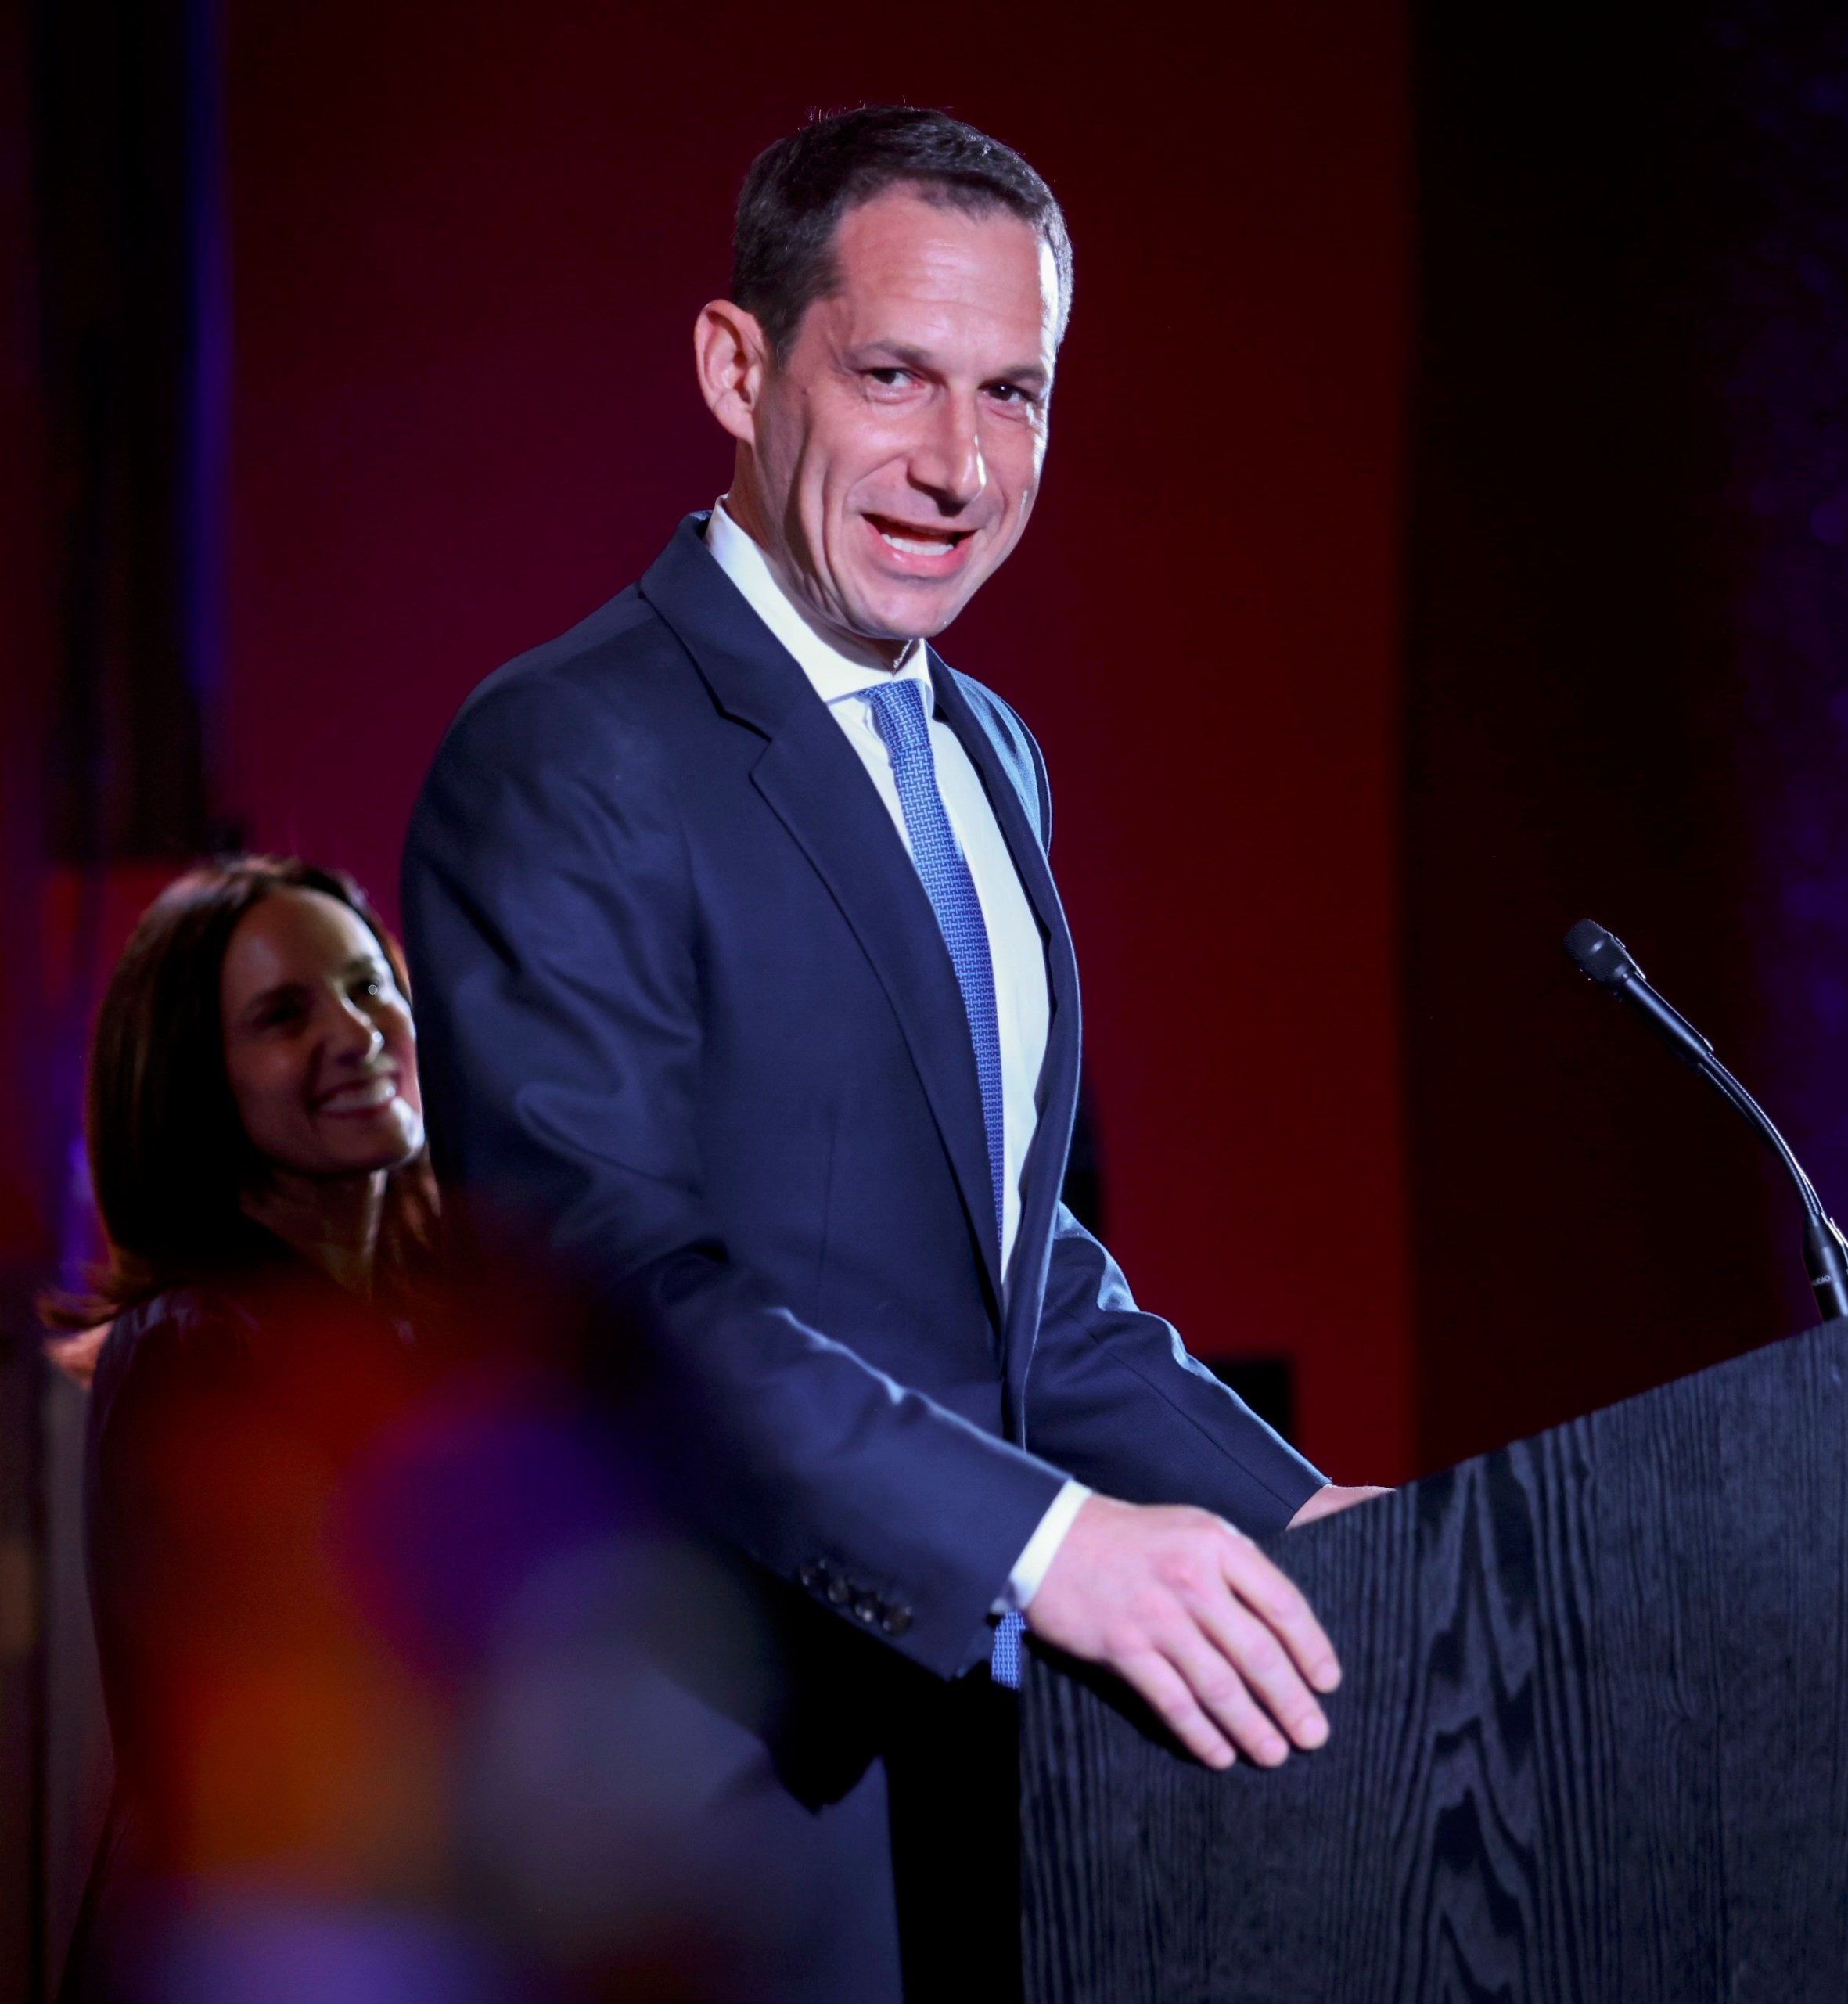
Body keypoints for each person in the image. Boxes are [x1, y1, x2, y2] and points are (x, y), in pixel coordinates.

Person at [403, 107, 1386, 1995]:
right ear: (736, 366)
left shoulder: (987, 750)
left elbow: (1017, 1273)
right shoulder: (566, 749)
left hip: (997, 1780)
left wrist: (1309, 1520)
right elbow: (607, 1301)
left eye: (1014, 395)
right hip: (704, 1806)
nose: (958, 465)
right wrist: (1043, 1543)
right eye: (894, 379)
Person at [49, 856, 474, 2002]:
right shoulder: (196, 1347)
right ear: (198, 1082)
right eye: (284, 1016)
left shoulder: (441, 1340)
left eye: (368, 983)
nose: (356, 1030)